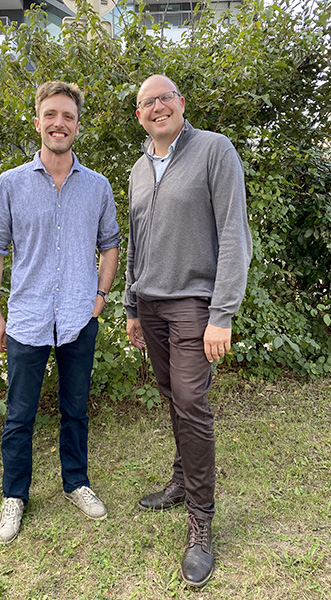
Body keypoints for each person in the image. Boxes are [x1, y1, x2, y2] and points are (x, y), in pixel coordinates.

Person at [124, 74, 252, 587]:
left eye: (165, 98)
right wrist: (131, 305)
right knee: (171, 395)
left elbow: (233, 233)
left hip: (194, 304)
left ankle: (201, 520)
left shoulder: (214, 151)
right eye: (147, 102)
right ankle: (181, 480)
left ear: (180, 103)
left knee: (191, 401)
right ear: (139, 115)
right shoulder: (138, 169)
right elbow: (136, 242)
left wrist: (222, 313)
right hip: (150, 304)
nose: (157, 107)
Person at [0, 81, 120, 545]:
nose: (59, 123)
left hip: (80, 317)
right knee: (19, 416)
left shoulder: (97, 186)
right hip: (27, 318)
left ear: (78, 125)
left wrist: (100, 296)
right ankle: (14, 495)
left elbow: (110, 244)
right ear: (38, 120)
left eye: (68, 116)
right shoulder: (10, 184)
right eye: (51, 114)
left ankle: (76, 482)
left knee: (75, 410)